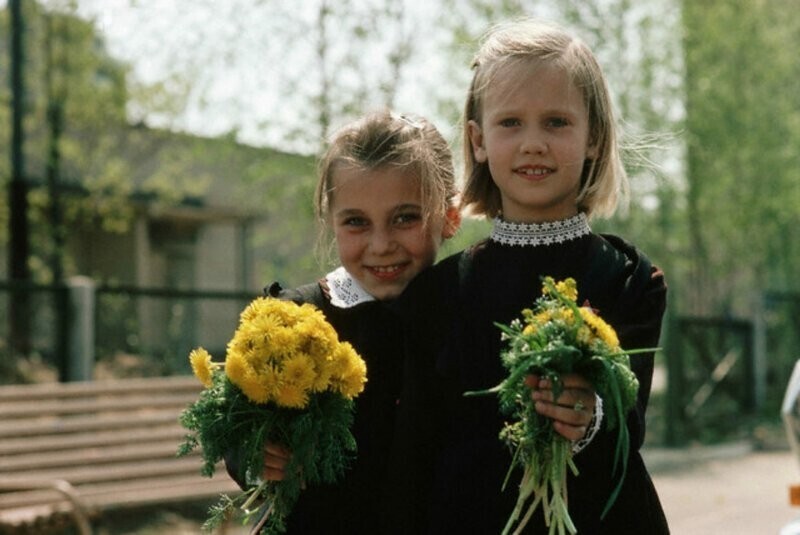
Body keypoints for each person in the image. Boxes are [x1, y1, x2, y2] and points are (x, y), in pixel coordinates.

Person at [396, 18, 670, 534]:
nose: (533, 143)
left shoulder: (629, 280)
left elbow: (627, 428)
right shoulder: (436, 294)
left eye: (557, 123)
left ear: (594, 137)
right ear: (478, 140)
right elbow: (414, 454)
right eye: (511, 123)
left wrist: (588, 419)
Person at [225, 109, 461, 534]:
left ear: (450, 216)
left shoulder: (468, 316)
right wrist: (258, 453)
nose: (381, 245)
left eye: (405, 217)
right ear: (331, 222)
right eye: (356, 222)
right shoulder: (295, 320)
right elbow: (237, 431)